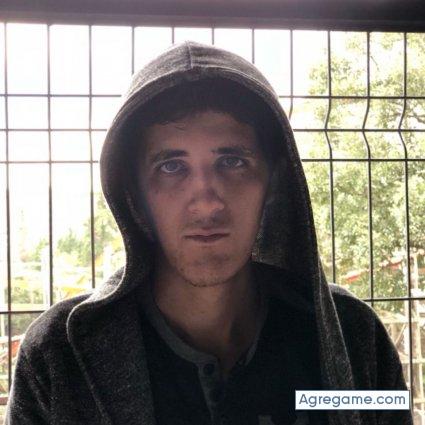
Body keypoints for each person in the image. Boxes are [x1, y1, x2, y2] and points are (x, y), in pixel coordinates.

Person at [5, 41, 412, 425]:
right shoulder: (58, 359)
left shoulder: (356, 336)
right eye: (171, 167)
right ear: (134, 196)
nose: (206, 204)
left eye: (232, 162)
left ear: (272, 183)